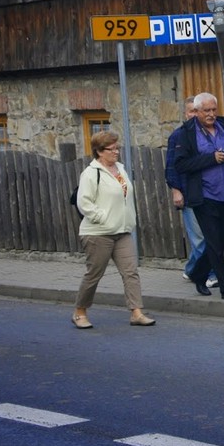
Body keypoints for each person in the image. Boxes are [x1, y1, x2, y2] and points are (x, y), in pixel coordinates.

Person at [71, 130, 155, 328]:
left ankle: (136, 312)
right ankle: (80, 311)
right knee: (94, 274)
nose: (116, 152)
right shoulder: (91, 173)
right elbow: (84, 203)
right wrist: (103, 218)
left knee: (130, 272)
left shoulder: (121, 169)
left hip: (122, 231)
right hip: (98, 233)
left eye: (117, 148)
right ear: (99, 151)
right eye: (111, 149)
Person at [173, 92, 224, 301]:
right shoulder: (186, 134)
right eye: (207, 111)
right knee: (213, 241)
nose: (211, 114)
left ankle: (197, 273)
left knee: (221, 241)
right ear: (196, 112)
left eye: (214, 110)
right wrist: (210, 159)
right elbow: (180, 165)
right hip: (203, 195)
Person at [165, 96, 218, 288]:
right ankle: (210, 274)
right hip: (188, 193)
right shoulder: (178, 136)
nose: (194, 115)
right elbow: (172, 167)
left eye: (197, 111)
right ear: (186, 113)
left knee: (210, 235)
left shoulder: (207, 134)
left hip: (208, 192)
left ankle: (191, 269)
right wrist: (176, 191)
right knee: (200, 237)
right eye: (191, 111)